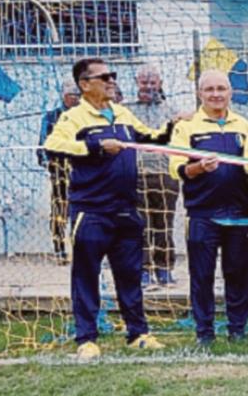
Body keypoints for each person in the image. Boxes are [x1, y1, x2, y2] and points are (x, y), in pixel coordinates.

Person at [42, 57, 168, 359]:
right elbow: (53, 146)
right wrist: (95, 147)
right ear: (85, 85)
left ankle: (138, 333)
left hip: (126, 208)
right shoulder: (73, 118)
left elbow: (149, 137)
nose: (112, 81)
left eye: (113, 75)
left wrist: (175, 126)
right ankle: (86, 338)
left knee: (130, 273)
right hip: (91, 211)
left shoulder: (122, 113)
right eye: (104, 77)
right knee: (86, 274)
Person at [168, 70, 248, 348]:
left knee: (239, 274)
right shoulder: (187, 126)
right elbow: (176, 168)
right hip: (202, 215)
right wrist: (198, 167)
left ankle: (237, 329)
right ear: (200, 94)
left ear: (230, 92)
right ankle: (204, 331)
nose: (216, 94)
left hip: (239, 213)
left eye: (221, 89)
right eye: (209, 89)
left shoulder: (245, 125)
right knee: (202, 276)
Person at [130, 65, 188, 287]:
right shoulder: (128, 111)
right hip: (138, 174)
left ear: (160, 83)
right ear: (137, 83)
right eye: (144, 82)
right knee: (141, 226)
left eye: (152, 82)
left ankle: (164, 269)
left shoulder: (172, 112)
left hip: (165, 175)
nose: (148, 87)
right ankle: (144, 270)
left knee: (163, 224)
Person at [38, 79, 79, 264]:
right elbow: (42, 145)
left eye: (79, 95)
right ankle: (60, 250)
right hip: (60, 171)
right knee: (59, 211)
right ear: (64, 96)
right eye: (73, 95)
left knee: (82, 212)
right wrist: (49, 164)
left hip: (82, 171)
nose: (76, 99)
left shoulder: (84, 116)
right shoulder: (52, 117)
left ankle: (80, 249)